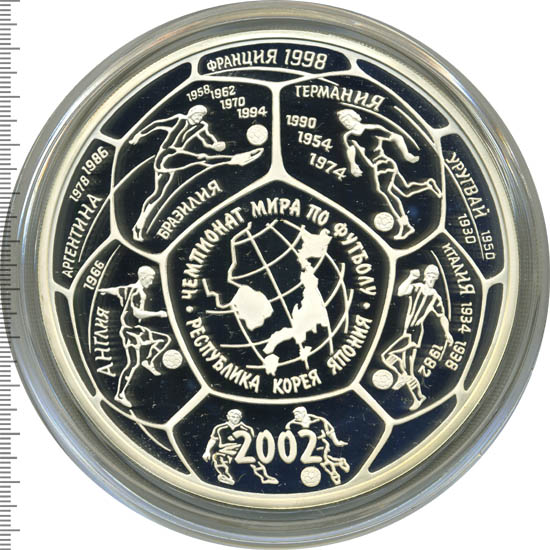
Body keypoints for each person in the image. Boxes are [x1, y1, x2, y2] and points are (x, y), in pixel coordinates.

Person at [131, 105, 263, 241]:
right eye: (197, 115)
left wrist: (219, 145)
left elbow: (209, 141)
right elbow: (156, 124)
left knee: (158, 196)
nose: (199, 118)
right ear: (191, 113)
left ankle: (139, 227)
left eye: (201, 116)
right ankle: (233, 160)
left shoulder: (201, 126)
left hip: (174, 159)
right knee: (201, 159)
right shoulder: (179, 120)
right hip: (166, 156)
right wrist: (139, 134)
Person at [337, 108, 441, 240]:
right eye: (343, 122)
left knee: (385, 191)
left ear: (354, 117)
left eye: (347, 119)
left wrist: (406, 155)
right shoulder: (349, 136)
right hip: (377, 167)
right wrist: (353, 165)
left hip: (384, 164)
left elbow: (397, 137)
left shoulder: (372, 129)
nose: (345, 123)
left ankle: (405, 226)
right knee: (405, 190)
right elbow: (351, 150)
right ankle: (428, 185)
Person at [380, 265, 454, 411]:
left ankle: (401, 375)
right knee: (408, 369)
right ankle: (418, 397)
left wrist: (447, 333)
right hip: (405, 329)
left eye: (434, 276)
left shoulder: (435, 297)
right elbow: (400, 291)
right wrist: (410, 277)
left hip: (413, 332)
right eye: (429, 275)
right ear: (425, 276)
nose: (431, 278)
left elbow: (442, 316)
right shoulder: (417, 287)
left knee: (387, 355)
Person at [100, 265, 170, 407]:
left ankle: (148, 361)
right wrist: (157, 314)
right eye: (150, 279)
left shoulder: (131, 288)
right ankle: (120, 394)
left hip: (137, 330)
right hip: (130, 332)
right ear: (143, 277)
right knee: (132, 364)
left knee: (163, 339)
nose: (151, 282)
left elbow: (117, 290)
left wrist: (103, 290)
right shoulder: (137, 292)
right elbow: (137, 313)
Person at [202, 410, 278, 486]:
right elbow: (213, 440)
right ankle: (226, 477)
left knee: (254, 461)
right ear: (228, 417)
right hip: (224, 451)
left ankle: (265, 478)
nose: (235, 419)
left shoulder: (247, 428)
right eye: (233, 417)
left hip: (241, 452)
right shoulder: (219, 428)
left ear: (240, 417)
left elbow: (251, 443)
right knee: (218, 458)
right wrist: (207, 451)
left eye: (237, 417)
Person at [286, 406, 349, 485]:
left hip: (321, 446)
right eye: (295, 415)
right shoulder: (291, 425)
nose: (295, 416)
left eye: (297, 414)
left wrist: (336, 442)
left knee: (324, 461)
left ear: (304, 413)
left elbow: (330, 431)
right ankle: (338, 463)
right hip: (304, 450)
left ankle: (335, 475)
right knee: (319, 460)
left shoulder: (319, 421)